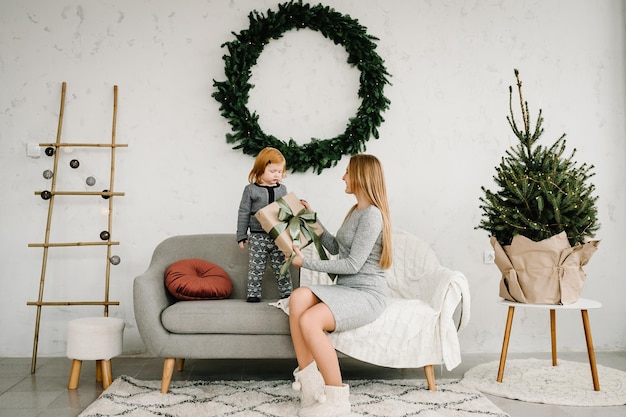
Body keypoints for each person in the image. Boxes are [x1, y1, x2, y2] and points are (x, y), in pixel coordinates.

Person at [288, 154, 393, 417]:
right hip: (348, 289)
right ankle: (311, 390)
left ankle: (337, 400)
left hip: (367, 293)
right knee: (298, 298)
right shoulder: (356, 211)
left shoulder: (372, 216)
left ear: (360, 176)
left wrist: (306, 264)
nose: (343, 177)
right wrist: (311, 219)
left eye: (347, 172)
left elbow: (353, 265)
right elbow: (336, 248)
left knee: (310, 320)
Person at [236, 147, 293, 302]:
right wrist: (241, 235)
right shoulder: (251, 190)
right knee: (256, 267)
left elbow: (287, 212)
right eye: (273, 171)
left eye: (280, 172)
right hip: (257, 236)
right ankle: (253, 294)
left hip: (278, 236)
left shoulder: (283, 189)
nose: (277, 175)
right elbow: (243, 212)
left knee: (281, 266)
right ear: (260, 169)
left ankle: (287, 294)